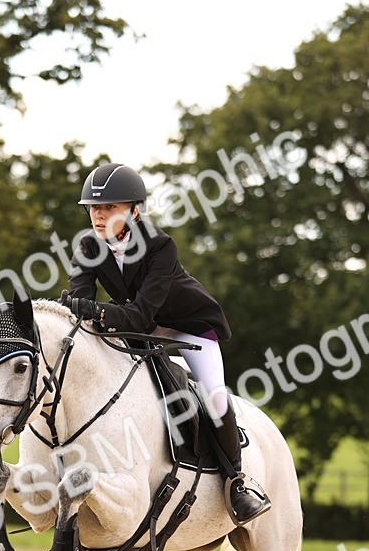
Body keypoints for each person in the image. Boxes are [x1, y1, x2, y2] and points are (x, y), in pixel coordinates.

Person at [62, 162, 270, 525]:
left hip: (189, 328)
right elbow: (80, 303)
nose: (99, 215)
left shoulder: (159, 245)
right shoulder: (88, 246)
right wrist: (76, 310)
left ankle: (237, 483)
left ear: (134, 210)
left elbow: (142, 313)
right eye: (94, 208)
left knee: (213, 395)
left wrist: (98, 311)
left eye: (109, 207)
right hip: (139, 329)